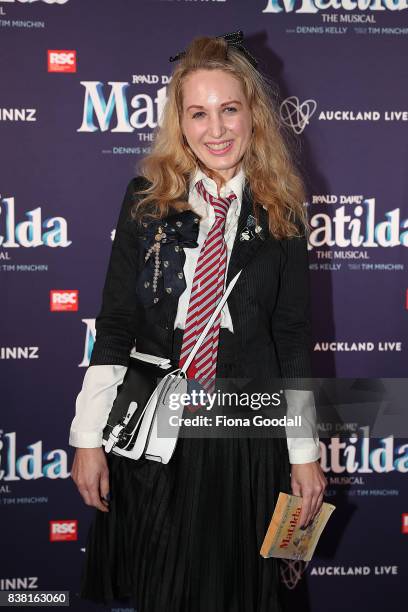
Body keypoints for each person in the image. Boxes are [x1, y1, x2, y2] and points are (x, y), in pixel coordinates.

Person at [69, 32, 327, 612]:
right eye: (199, 113)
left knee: (241, 592)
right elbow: (114, 324)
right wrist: (88, 438)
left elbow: (290, 339)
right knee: (164, 586)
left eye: (229, 109)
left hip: (246, 432)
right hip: (158, 426)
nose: (216, 129)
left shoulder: (281, 210)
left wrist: (304, 453)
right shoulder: (146, 201)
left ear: (253, 115)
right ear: (179, 123)